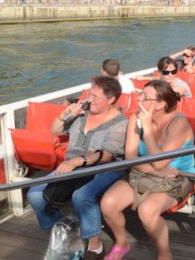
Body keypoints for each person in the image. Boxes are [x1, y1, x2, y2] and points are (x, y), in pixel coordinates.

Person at [26, 76, 128, 260]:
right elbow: (54, 130)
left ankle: (96, 247)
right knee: (34, 194)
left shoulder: (120, 122)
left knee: (82, 196)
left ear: (111, 99)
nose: (90, 100)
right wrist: (65, 114)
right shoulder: (83, 112)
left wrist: (76, 162)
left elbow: (106, 156)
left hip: (105, 168)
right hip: (72, 165)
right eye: (90, 94)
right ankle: (64, 232)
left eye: (96, 97)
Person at [100, 80, 195, 260]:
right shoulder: (135, 118)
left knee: (147, 210)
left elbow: (159, 162)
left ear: (160, 104)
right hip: (145, 172)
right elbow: (130, 156)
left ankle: (165, 255)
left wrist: (148, 128)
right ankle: (122, 243)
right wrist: (155, 172)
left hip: (178, 177)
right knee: (108, 203)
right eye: (140, 94)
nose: (138, 99)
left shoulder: (178, 123)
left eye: (145, 97)